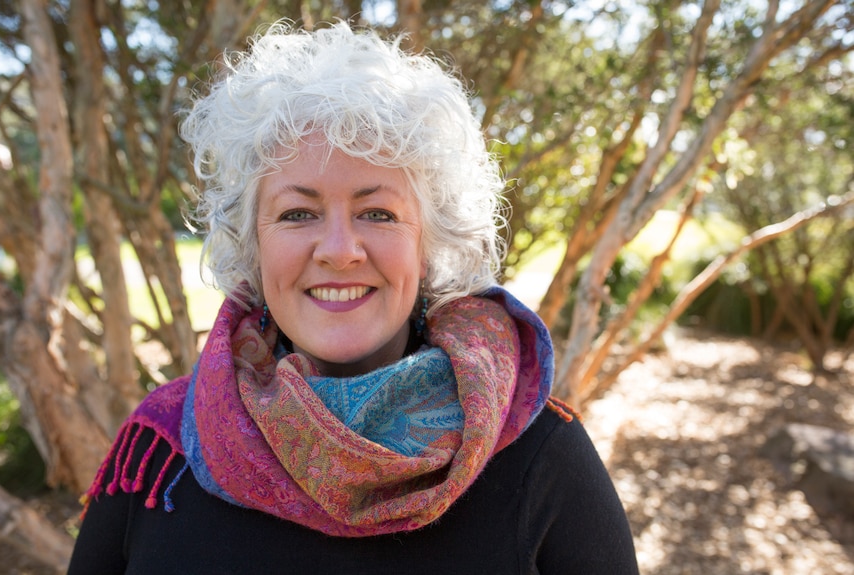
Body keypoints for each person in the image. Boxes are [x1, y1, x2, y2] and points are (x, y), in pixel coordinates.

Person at [68, 20, 638, 574]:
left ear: (428, 244)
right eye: (297, 213)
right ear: (253, 246)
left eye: (377, 212)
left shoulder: (539, 457)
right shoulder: (162, 452)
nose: (339, 250)